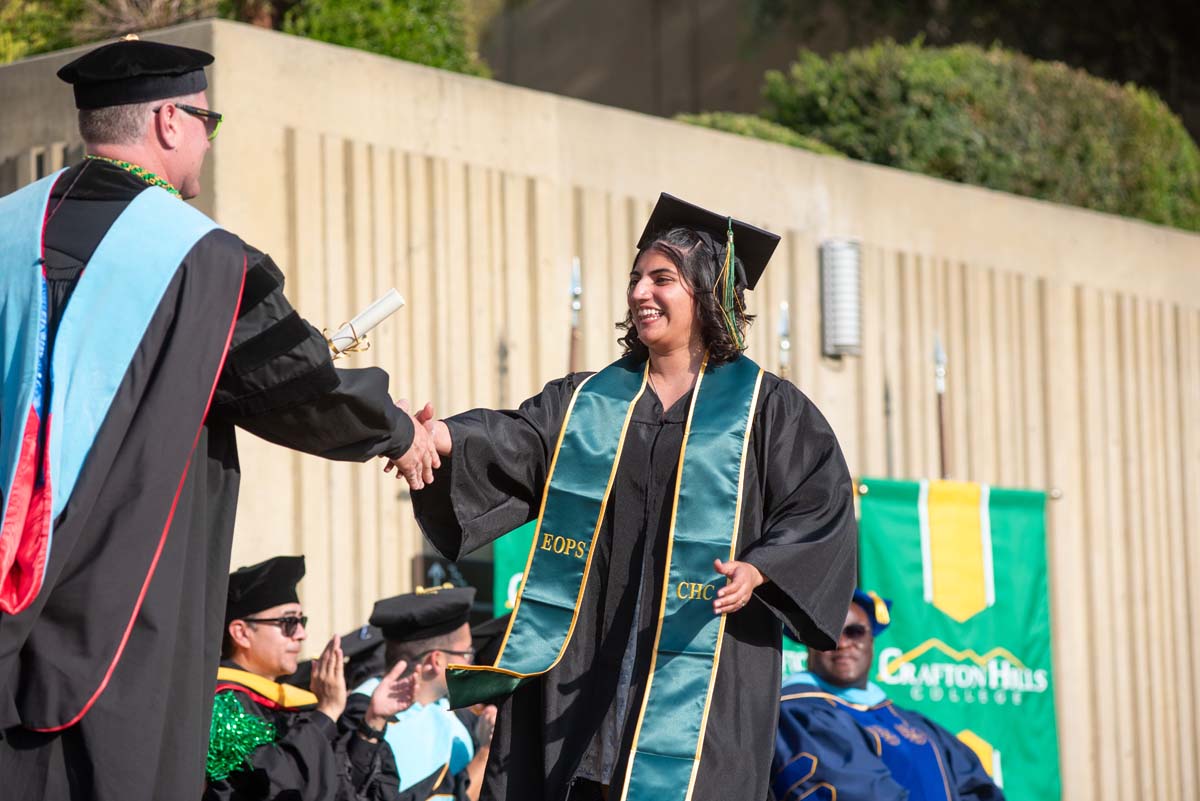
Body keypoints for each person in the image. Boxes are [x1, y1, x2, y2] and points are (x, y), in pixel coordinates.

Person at [0, 38, 438, 799]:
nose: (208, 139)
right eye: (209, 121)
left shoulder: (6, 232)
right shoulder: (197, 258)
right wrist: (399, 429)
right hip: (126, 610)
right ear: (170, 120)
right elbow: (299, 386)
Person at [400, 193, 858, 801]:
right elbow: (519, 441)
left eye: (661, 279)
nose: (641, 292)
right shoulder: (591, 401)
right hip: (586, 662)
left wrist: (761, 568)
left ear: (710, 293)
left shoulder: (768, 410)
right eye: (636, 278)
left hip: (707, 663)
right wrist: (444, 437)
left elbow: (818, 507)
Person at [206, 556, 415, 800]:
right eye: (289, 622)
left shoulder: (288, 703)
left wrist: (372, 723)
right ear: (241, 633)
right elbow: (279, 787)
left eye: (301, 621)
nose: (302, 634)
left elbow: (340, 790)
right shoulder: (221, 705)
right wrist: (325, 714)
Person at [772, 590, 1005, 801]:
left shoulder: (917, 724)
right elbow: (856, 791)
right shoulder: (797, 713)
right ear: (809, 643)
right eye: (830, 634)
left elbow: (977, 788)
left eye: (855, 632)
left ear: (871, 641)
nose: (842, 643)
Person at [345, 586, 497, 801]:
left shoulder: (455, 715)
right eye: (466, 653)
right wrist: (486, 753)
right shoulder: (364, 714)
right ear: (435, 661)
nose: (471, 662)